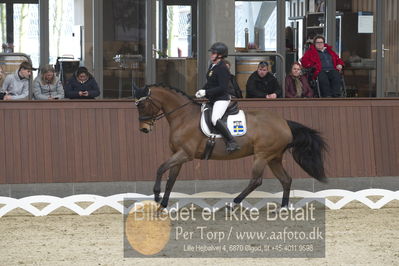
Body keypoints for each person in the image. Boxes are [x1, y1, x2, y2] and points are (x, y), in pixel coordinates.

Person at [195, 42, 240, 152]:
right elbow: (210, 83)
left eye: (214, 53)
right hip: (213, 98)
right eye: (212, 52)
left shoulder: (222, 68)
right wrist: (201, 90)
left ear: (220, 55)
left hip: (222, 98)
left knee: (215, 119)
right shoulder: (213, 65)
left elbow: (222, 88)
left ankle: (232, 142)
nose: (211, 54)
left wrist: (206, 92)